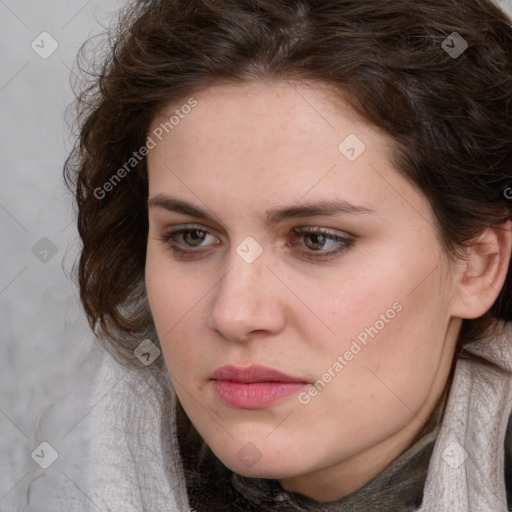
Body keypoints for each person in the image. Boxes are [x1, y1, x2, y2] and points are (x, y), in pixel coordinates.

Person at [58, 0, 512, 510]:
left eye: (316, 239)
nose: (234, 314)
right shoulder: (54, 467)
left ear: (477, 266)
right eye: (191, 237)